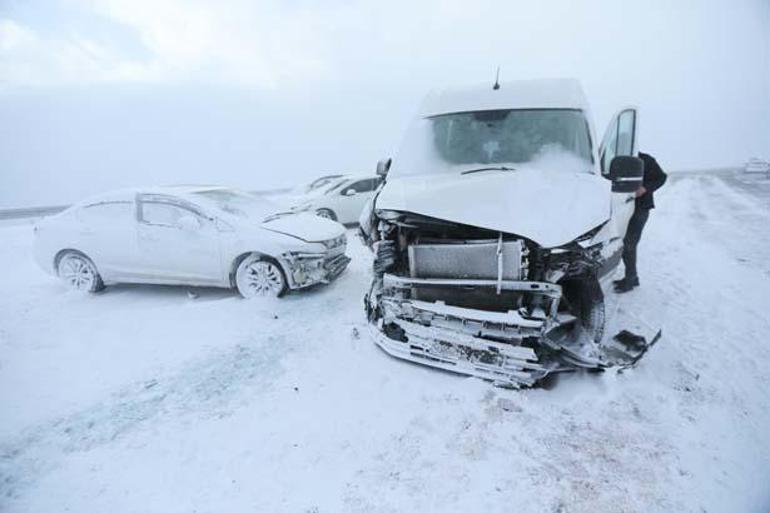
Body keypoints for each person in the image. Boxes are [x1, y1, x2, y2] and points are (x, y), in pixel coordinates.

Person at [614, 152, 667, 293]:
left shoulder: (645, 159)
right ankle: (633, 277)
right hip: (621, 205)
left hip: (640, 207)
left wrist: (644, 188)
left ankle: (630, 279)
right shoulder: (616, 160)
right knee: (623, 242)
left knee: (629, 243)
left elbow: (662, 178)